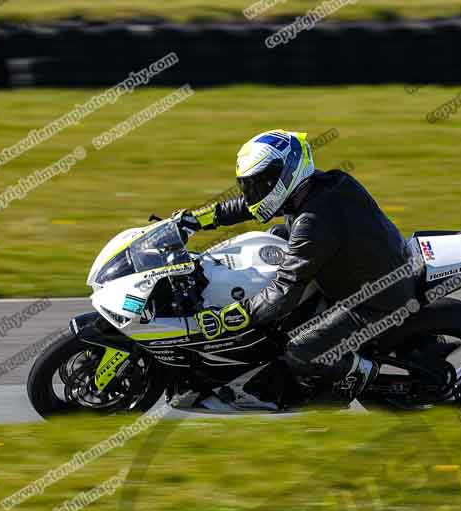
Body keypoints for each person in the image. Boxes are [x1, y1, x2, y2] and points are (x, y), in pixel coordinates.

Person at [173, 129, 417, 401]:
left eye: (260, 184)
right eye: (249, 185)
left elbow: (284, 291)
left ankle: (358, 372)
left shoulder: (313, 221)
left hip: (374, 299)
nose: (253, 192)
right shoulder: (319, 186)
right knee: (270, 240)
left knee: (299, 351)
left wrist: (233, 316)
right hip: (359, 265)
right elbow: (251, 205)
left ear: (285, 175)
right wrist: (200, 219)